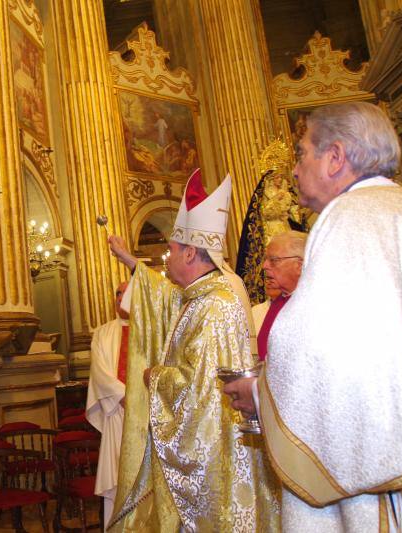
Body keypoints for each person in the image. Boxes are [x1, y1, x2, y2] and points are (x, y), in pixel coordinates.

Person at [224, 101, 402, 531]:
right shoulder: (400, 206)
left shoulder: (348, 217)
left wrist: (258, 394)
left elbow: (317, 345)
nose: (294, 170)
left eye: (302, 153)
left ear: (336, 157)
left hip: (377, 486)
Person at [107, 169, 280, 532]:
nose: (165, 259)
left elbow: (200, 389)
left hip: (216, 452)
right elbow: (162, 295)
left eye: (169, 251)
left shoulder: (214, 305)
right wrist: (129, 261)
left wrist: (155, 377)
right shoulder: (199, 296)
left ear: (189, 253)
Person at [86, 282, 129, 530]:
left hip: (144, 415)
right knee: (116, 480)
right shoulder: (102, 333)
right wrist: (124, 396)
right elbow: (99, 372)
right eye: (117, 294)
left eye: (126, 293)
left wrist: (140, 399)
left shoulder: (149, 331)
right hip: (117, 412)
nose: (120, 298)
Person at [252, 230, 307, 360]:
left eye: (274, 260)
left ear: (299, 266)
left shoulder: (312, 304)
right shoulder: (279, 301)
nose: (264, 266)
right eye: (266, 259)